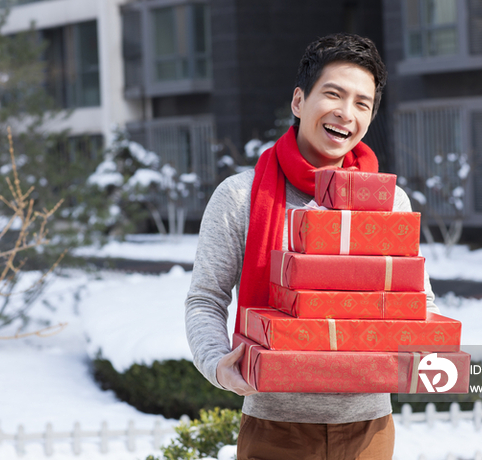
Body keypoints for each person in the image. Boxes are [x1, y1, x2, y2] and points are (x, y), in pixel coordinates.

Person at [185, 33, 440, 460]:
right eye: (333, 94)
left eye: (362, 103)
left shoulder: (389, 201)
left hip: (368, 428)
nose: (346, 112)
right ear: (299, 101)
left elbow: (416, 299)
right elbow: (206, 298)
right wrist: (216, 363)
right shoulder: (241, 196)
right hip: (274, 425)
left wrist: (423, 341)